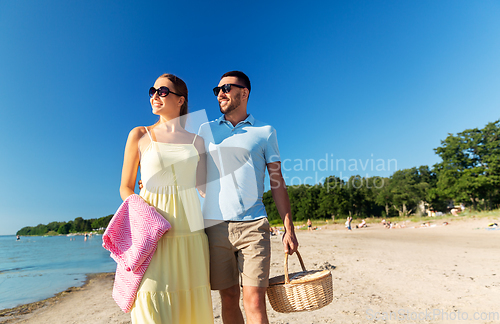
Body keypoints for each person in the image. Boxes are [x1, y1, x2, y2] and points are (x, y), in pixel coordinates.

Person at [199, 71, 299, 324]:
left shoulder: (265, 132)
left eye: (226, 88)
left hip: (254, 226)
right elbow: (192, 171)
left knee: (254, 300)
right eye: (217, 90)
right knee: (229, 297)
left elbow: (277, 182)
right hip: (215, 227)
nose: (220, 93)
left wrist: (289, 228)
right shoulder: (205, 129)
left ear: (244, 93)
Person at [120, 74, 213, 323]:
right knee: (150, 301)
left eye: (162, 91)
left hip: (190, 232)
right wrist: (146, 211)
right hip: (152, 232)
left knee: (191, 306)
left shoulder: (198, 141)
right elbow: (126, 188)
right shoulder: (140, 134)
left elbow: (204, 188)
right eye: (153, 90)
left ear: (181, 100)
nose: (154, 95)